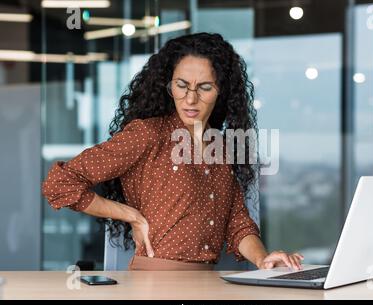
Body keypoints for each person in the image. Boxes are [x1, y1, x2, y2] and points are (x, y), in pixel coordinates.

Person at [42, 33, 303, 271]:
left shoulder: (221, 146)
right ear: (168, 85)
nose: (190, 99)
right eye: (182, 85)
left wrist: (262, 259)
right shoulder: (147, 134)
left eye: (204, 87)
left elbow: (238, 223)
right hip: (156, 285)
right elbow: (60, 183)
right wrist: (131, 215)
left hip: (210, 285)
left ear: (221, 91)